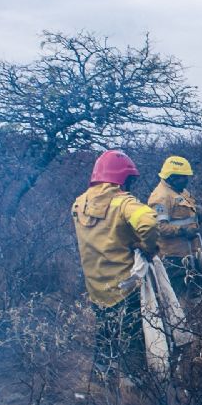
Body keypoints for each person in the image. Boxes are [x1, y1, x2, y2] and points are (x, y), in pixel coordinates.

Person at [71, 150, 158, 382]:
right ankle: (133, 385)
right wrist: (147, 247)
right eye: (129, 180)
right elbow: (149, 223)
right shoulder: (123, 202)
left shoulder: (78, 204)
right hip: (124, 286)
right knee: (132, 337)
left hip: (96, 287)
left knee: (104, 334)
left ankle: (101, 380)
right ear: (122, 178)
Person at [148, 156, 202, 298]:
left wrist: (198, 215)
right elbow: (159, 227)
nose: (186, 180)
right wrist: (182, 230)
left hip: (191, 251)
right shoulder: (160, 197)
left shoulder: (181, 192)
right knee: (180, 296)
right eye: (182, 177)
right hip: (174, 257)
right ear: (172, 177)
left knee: (197, 293)